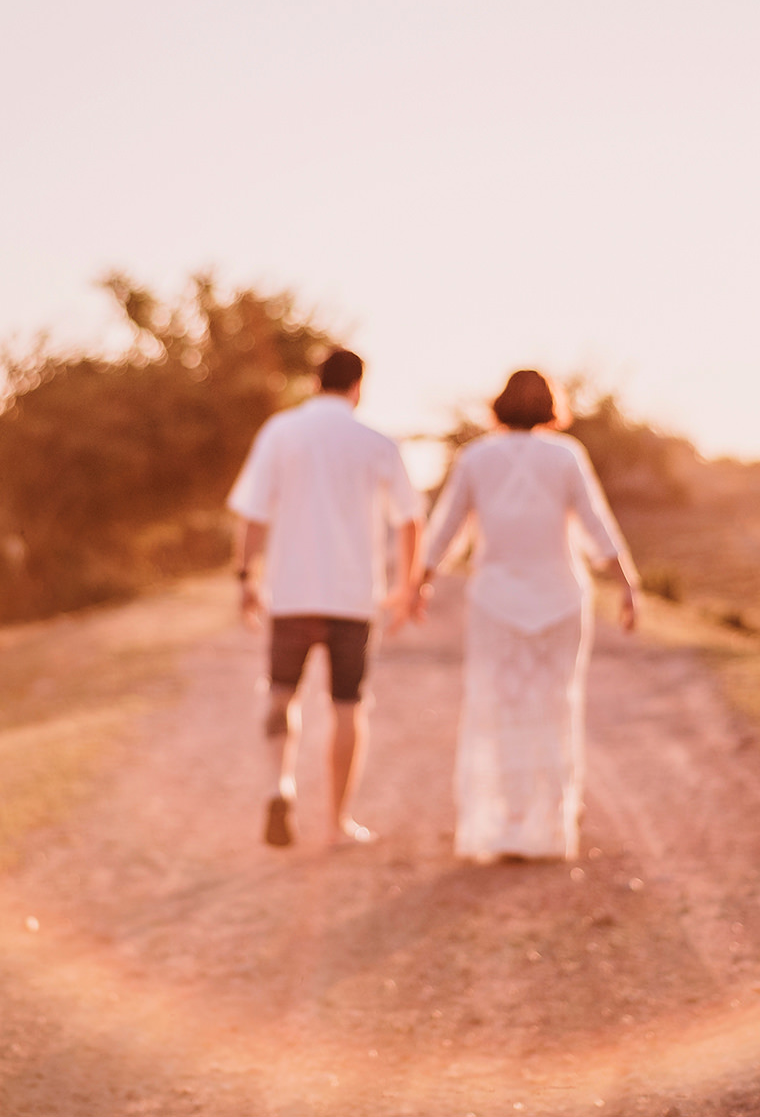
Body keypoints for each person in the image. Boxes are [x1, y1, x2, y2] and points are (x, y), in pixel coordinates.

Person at [409, 370, 638, 863]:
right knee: (556, 706)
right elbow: (599, 526)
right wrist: (627, 584)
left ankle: (509, 824)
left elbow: (444, 529)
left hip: (496, 603)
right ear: (551, 408)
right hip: (560, 600)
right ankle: (551, 827)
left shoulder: (476, 457)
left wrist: (419, 583)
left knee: (498, 707)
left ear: (499, 405)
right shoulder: (566, 455)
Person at [228, 348, 422, 848]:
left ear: (315, 382)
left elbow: (252, 511)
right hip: (353, 598)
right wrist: (405, 587)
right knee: (346, 706)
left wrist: (246, 576)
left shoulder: (281, 431)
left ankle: (279, 787)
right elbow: (409, 517)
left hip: (291, 593)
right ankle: (337, 821)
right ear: (359, 386)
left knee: (279, 693)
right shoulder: (376, 443)